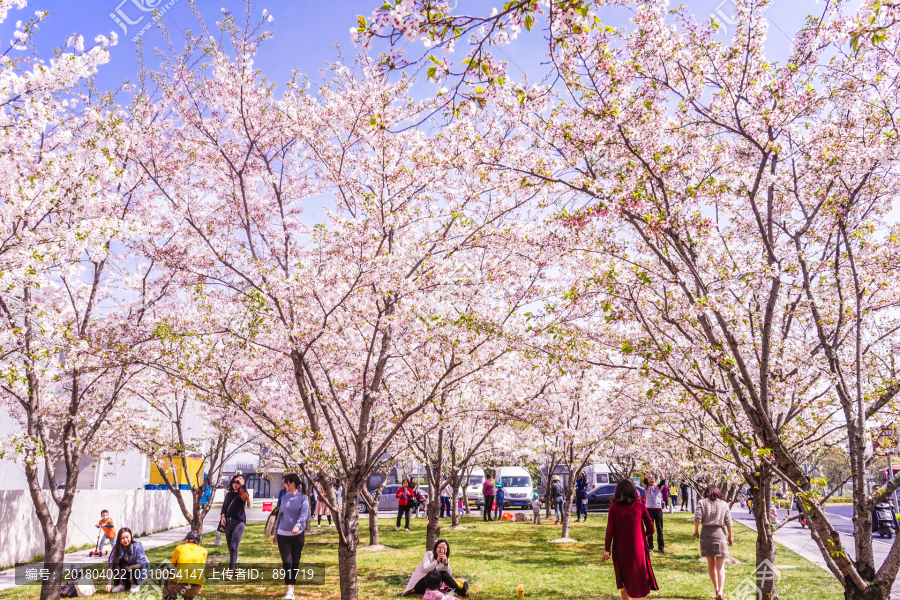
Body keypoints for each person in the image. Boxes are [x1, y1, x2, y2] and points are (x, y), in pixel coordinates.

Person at [602, 479, 659, 600]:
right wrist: (642, 535)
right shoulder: (640, 506)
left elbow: (609, 530)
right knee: (637, 581)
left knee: (624, 581)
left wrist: (607, 549)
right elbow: (651, 528)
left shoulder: (613, 507)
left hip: (620, 549)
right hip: (637, 549)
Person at [693, 485, 734, 600]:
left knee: (711, 564)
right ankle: (720, 591)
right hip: (719, 534)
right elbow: (729, 522)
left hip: (706, 534)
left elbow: (697, 518)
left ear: (707, 492)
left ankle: (716, 589)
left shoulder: (702, 502)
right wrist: (730, 536)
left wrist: (696, 531)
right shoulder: (724, 504)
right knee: (720, 566)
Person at [273, 473, 309, 600]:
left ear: (292, 483)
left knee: (295, 562)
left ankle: (292, 587)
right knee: (287, 562)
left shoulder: (303, 498)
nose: (283, 484)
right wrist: (276, 532)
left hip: (297, 535)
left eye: (285, 482)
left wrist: (298, 525)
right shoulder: (283, 498)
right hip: (283, 535)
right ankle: (289, 590)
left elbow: (304, 514)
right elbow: (280, 516)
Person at [402, 539, 469, 597]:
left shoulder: (445, 558)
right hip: (421, 585)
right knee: (437, 573)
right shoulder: (428, 554)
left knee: (443, 573)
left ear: (447, 550)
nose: (441, 550)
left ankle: (459, 591)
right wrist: (437, 561)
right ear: (435, 548)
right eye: (439, 547)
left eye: (443, 548)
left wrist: (446, 564)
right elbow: (425, 569)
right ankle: (458, 591)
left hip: (434, 585)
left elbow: (449, 574)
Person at [163, 530, 207, 600]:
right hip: (197, 588)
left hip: (180, 587)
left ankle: (171, 596)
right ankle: (189, 597)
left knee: (165, 576)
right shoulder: (204, 551)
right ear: (198, 543)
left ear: (186, 540)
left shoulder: (179, 548)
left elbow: (171, 568)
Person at [105, 528, 150, 593]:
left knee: (127, 564)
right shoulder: (117, 548)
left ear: (131, 536)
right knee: (116, 563)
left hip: (141, 568)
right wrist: (108, 583)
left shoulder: (137, 546)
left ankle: (134, 584)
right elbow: (111, 565)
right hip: (126, 568)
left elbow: (142, 563)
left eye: (127, 537)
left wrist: (132, 567)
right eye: (123, 538)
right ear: (119, 539)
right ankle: (122, 584)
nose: (125, 540)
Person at [220, 474, 249, 573]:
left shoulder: (242, 494)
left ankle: (231, 570)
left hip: (239, 523)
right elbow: (224, 507)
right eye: (234, 482)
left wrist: (242, 485)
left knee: (233, 546)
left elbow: (246, 497)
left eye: (238, 482)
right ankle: (235, 568)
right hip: (228, 522)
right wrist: (223, 517)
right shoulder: (228, 494)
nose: (235, 484)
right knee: (230, 547)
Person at [644, 476, 665, 553]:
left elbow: (663, 480)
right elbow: (645, 479)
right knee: (650, 528)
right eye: (650, 477)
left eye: (652, 477)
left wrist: (659, 471)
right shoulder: (646, 487)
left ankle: (661, 547)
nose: (651, 478)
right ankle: (650, 546)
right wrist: (650, 471)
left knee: (659, 528)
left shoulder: (658, 487)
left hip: (658, 509)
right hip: (649, 509)